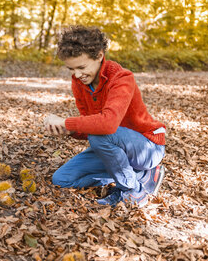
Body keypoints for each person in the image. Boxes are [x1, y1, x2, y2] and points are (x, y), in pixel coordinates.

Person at [44, 25, 166, 207]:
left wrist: (66, 121)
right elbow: (91, 127)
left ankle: (134, 191)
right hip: (113, 144)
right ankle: (143, 176)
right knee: (62, 179)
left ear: (99, 56)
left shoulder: (121, 78)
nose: (77, 74)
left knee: (101, 137)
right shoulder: (80, 83)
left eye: (81, 67)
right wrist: (70, 131)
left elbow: (107, 125)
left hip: (147, 147)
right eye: (71, 69)